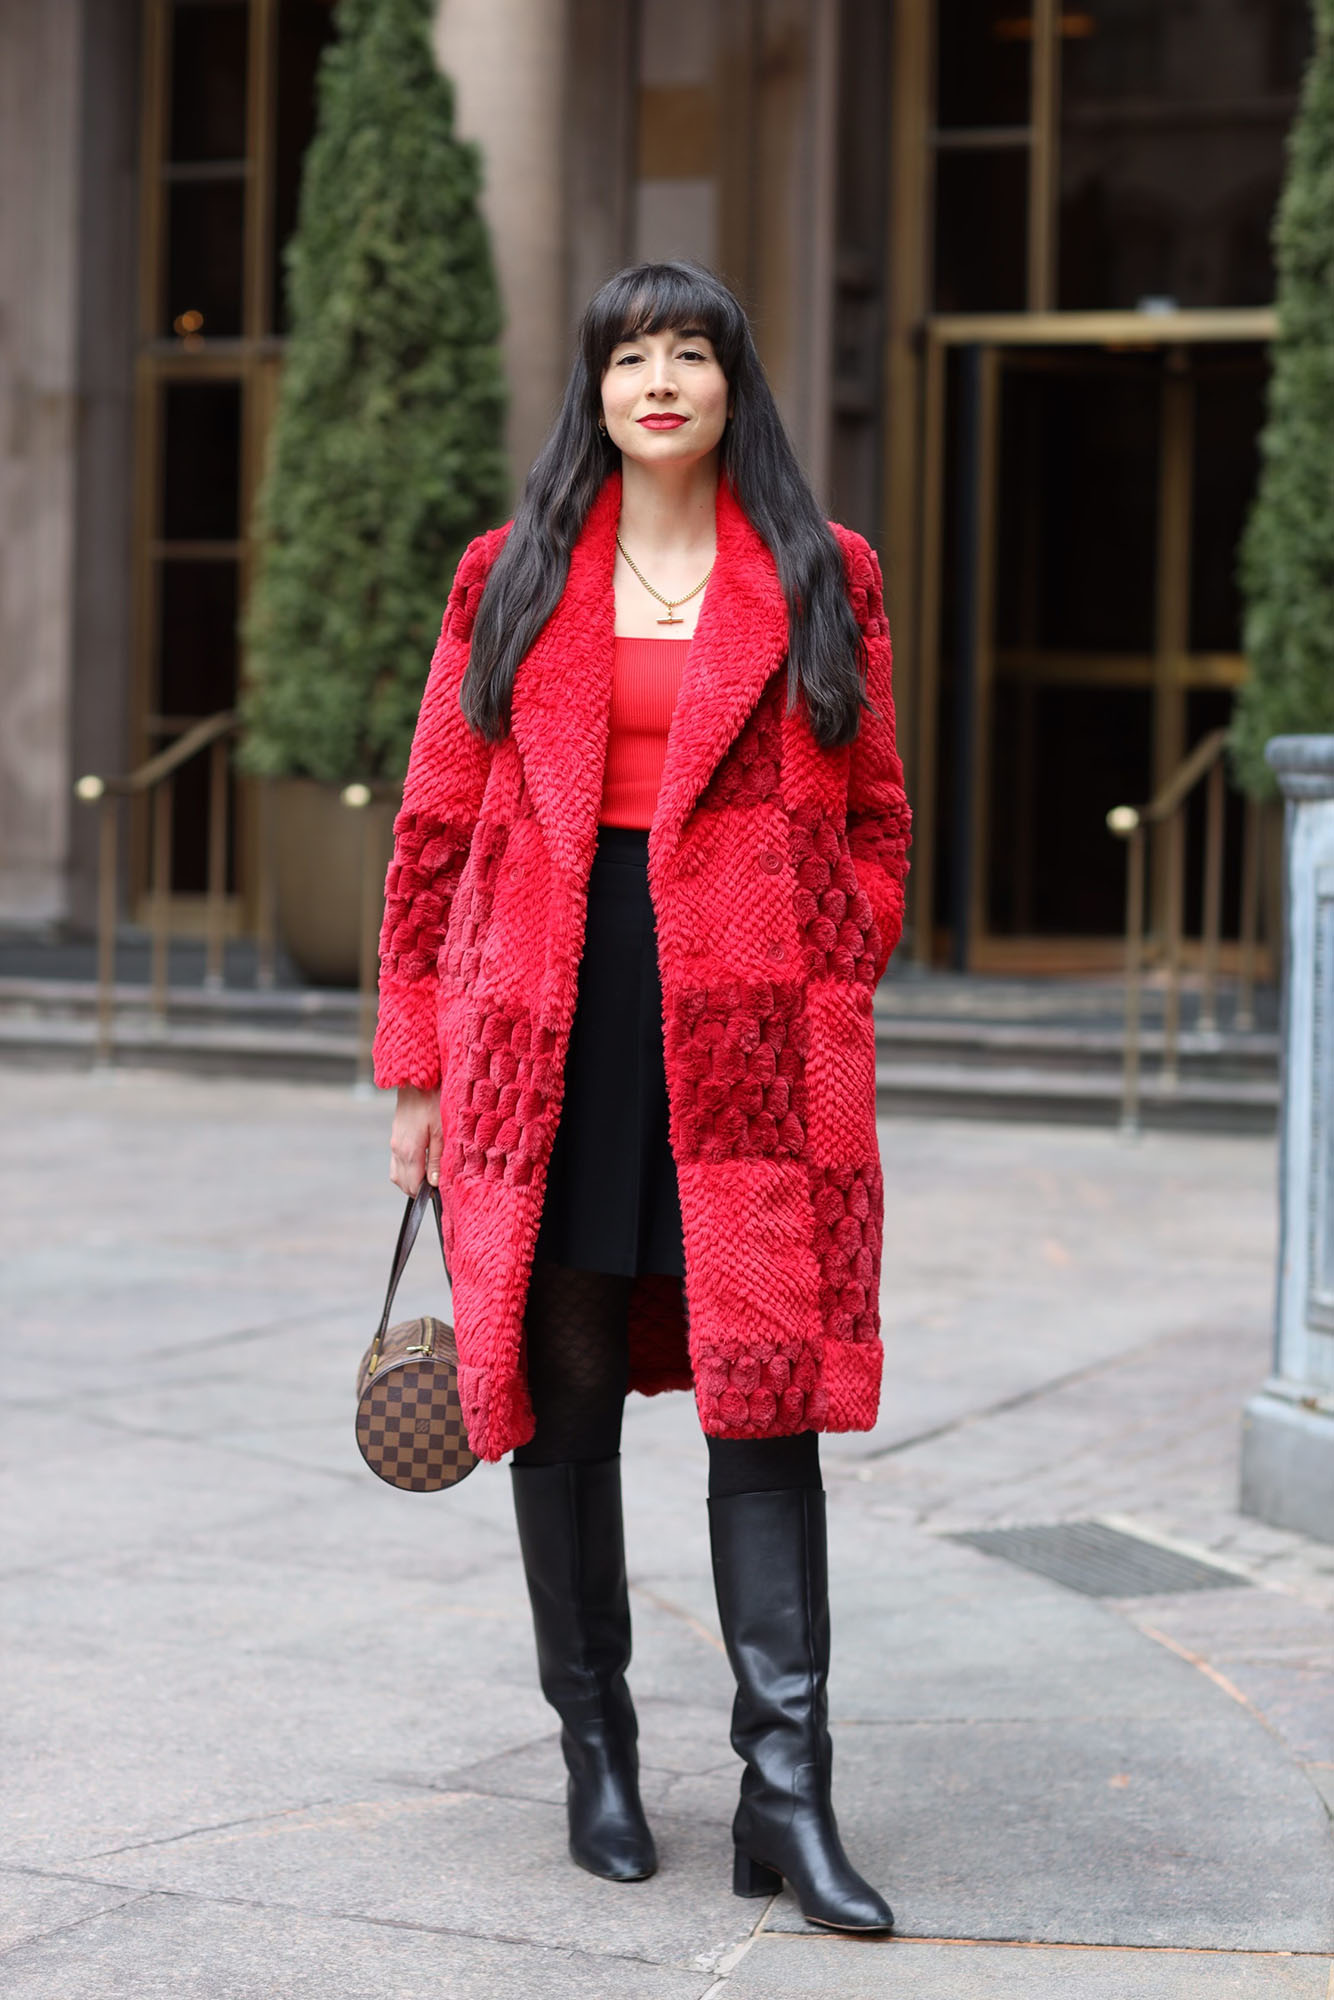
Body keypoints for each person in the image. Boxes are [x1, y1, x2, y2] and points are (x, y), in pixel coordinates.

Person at [373, 261, 911, 1933]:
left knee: (766, 1401)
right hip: (548, 1022)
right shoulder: (509, 576)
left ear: (733, 385)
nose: (659, 380)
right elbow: (435, 828)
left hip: (749, 1034)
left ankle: (787, 1795)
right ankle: (594, 1754)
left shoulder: (825, 574)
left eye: (689, 353)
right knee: (561, 1383)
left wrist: (828, 959)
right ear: (593, 389)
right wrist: (418, 1059)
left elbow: (877, 814)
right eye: (630, 355)